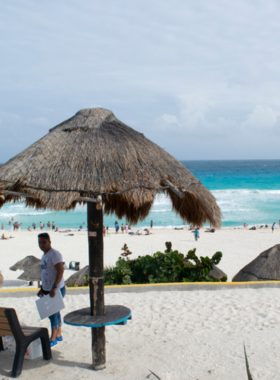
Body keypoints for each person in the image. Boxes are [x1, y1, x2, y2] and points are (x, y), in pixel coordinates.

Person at [37, 232, 65, 348]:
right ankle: (58, 334)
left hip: (56, 289)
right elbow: (46, 272)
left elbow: (60, 271)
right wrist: (43, 288)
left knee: (52, 313)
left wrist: (54, 287)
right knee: (56, 312)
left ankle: (53, 339)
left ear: (49, 242)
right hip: (47, 289)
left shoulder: (55, 254)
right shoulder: (44, 255)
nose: (42, 245)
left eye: (44, 242)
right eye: (40, 242)